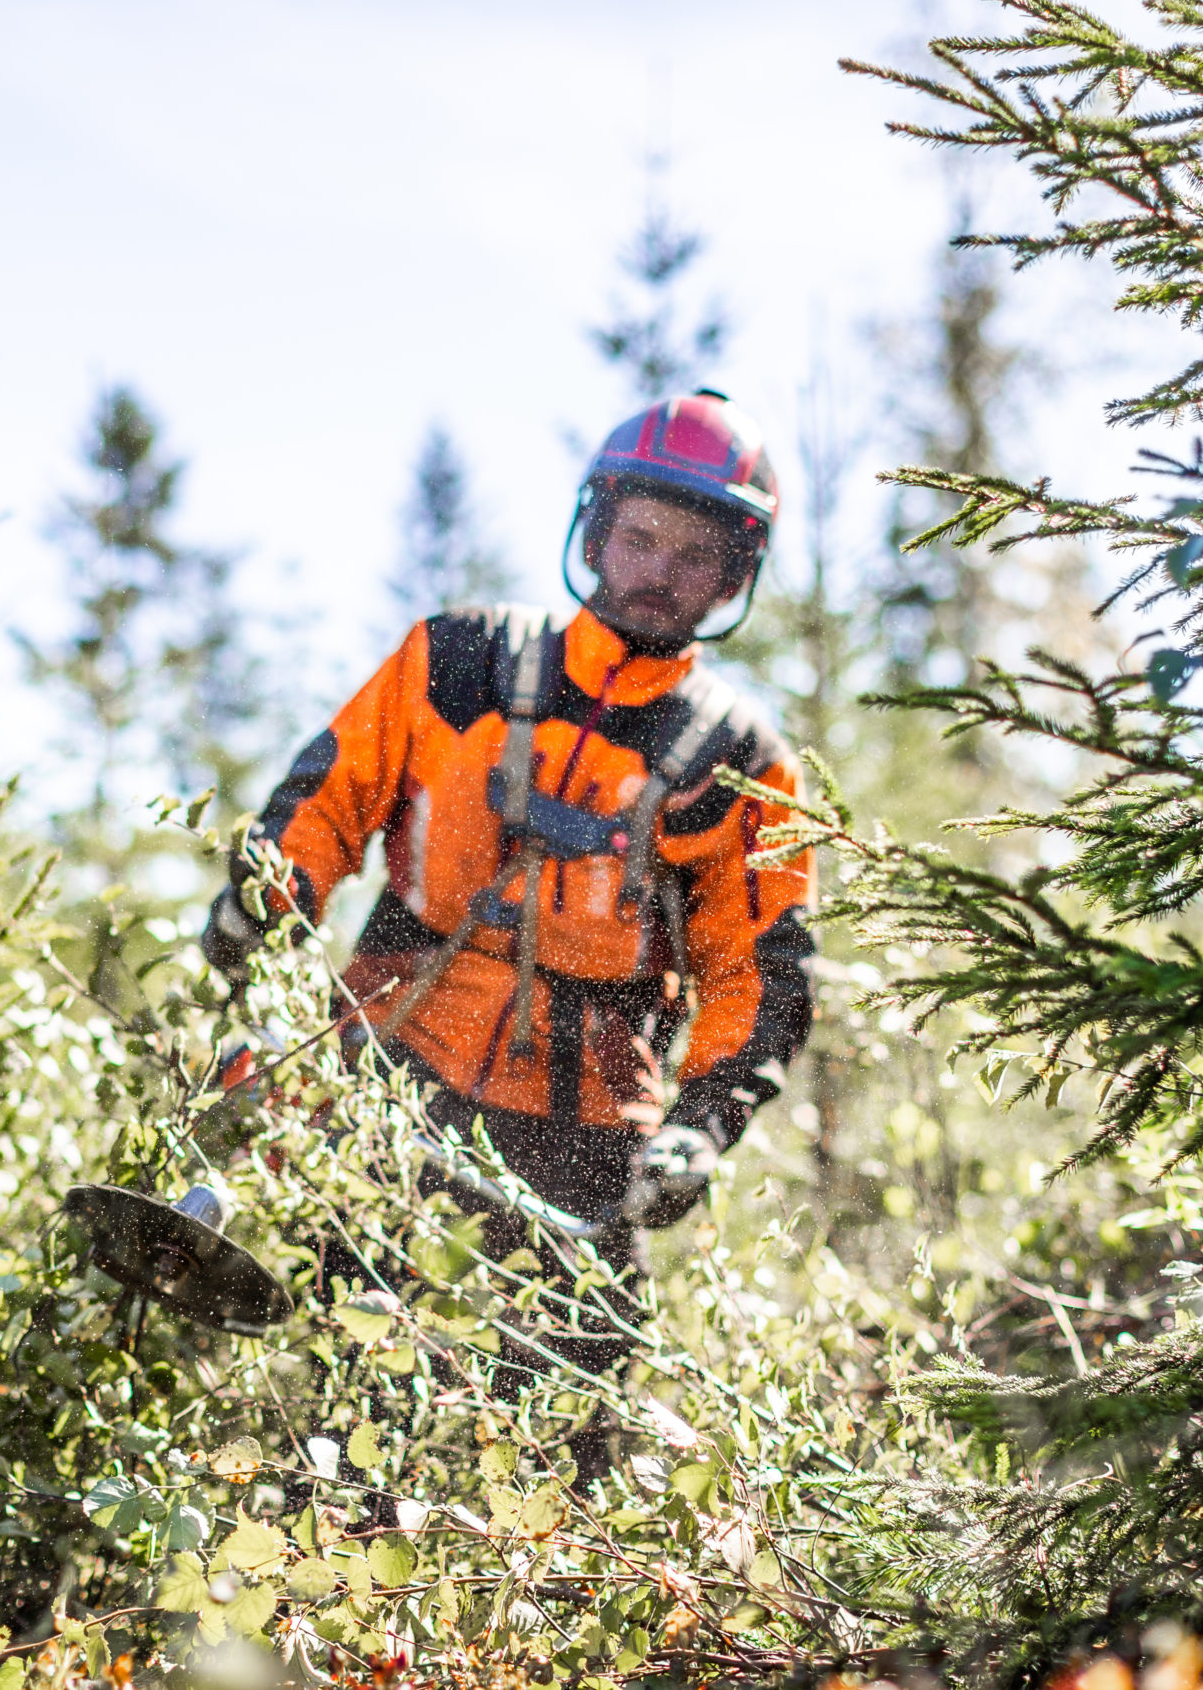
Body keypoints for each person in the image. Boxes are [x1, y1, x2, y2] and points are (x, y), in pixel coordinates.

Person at [203, 389, 815, 1476]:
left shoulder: (744, 766)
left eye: (692, 553)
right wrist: (259, 912)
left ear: (732, 576)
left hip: (587, 1112)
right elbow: (327, 801)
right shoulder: (454, 663)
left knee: (577, 1405)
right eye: (637, 539)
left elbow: (753, 974)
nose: (656, 572)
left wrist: (705, 1123)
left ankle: (548, 1599)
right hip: (396, 1053)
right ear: (594, 532)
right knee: (331, 1365)